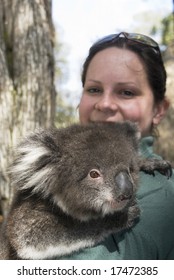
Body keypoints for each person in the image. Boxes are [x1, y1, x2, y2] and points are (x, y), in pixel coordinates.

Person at [60, 32, 174, 260]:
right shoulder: (59, 161)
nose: (104, 104)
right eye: (94, 89)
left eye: (127, 92)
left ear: (159, 109)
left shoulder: (157, 196)